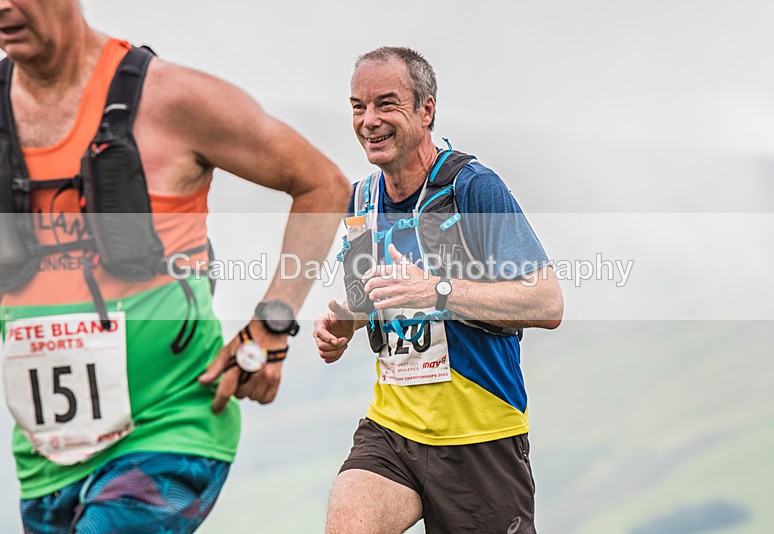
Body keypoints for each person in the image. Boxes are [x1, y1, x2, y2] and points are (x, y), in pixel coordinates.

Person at [0, 1, 350, 532]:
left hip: (169, 429)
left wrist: (271, 327)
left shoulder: (171, 99)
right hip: (43, 459)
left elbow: (321, 184)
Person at [313, 46, 564, 534]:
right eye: (357, 106)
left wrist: (438, 291)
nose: (369, 121)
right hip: (393, 430)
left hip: (481, 439)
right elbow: (376, 297)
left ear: (427, 109)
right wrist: (341, 324)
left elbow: (548, 301)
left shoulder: (473, 187)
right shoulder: (361, 199)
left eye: (386, 104)